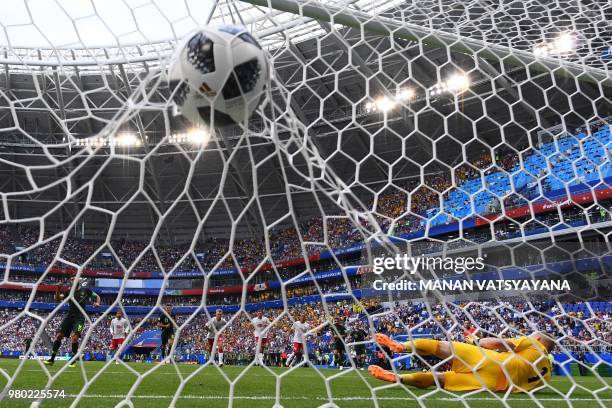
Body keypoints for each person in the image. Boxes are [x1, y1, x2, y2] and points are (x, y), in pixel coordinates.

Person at [369, 332, 554, 393]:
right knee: (440, 379)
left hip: (492, 361)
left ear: (538, 337)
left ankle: (402, 346)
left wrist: (477, 341)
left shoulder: (534, 343)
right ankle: (399, 378)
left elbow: (499, 343)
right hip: (493, 385)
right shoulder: (548, 376)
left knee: (442, 347)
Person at [44, 277, 101, 367]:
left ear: (78, 281)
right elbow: (57, 299)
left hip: (80, 317)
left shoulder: (85, 290)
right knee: (59, 336)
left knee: (74, 338)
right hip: (69, 316)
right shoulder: (68, 292)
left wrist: (97, 303)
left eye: (74, 279)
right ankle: (51, 359)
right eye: (72, 280)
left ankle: (73, 359)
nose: (73, 281)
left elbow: (97, 296)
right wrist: (58, 289)